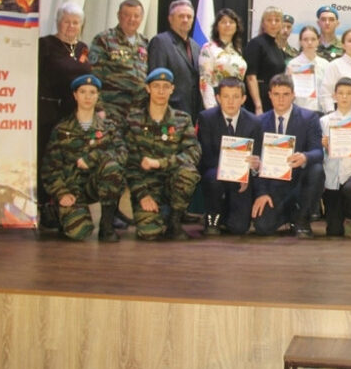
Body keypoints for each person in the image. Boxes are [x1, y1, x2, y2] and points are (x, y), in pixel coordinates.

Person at [40, 75, 127, 242]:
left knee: (112, 167)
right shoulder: (62, 129)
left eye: (92, 92)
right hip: (71, 188)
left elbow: (122, 155)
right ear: (75, 95)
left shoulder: (109, 127)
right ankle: (63, 214)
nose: (88, 97)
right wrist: (61, 193)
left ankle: (107, 225)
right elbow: (50, 169)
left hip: (96, 184)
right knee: (79, 232)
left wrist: (94, 157)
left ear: (98, 96)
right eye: (83, 92)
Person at [124, 68, 201, 241]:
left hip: (172, 181)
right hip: (146, 185)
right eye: (156, 86)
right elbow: (129, 163)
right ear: (148, 88)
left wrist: (161, 163)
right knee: (149, 233)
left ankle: (174, 220)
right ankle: (161, 212)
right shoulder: (133, 120)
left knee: (188, 172)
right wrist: (142, 195)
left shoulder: (182, 119)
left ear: (172, 89)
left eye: (165, 86)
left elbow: (193, 152)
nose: (161, 91)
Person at [38, 2, 92, 227]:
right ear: (58, 22)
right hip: (49, 111)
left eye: (76, 22)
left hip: (75, 113)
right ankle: (45, 206)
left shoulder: (83, 48)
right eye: (67, 21)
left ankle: (69, 205)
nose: (71, 26)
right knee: (47, 159)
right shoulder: (45, 45)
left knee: (70, 159)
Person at [251, 74, 325, 238]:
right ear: (269, 95)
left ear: (293, 95)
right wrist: (262, 193)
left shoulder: (309, 118)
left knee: (317, 170)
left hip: (299, 183)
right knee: (262, 227)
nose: (281, 99)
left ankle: (302, 219)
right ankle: (290, 216)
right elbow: (256, 161)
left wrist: (305, 157)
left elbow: (318, 152)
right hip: (273, 186)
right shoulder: (259, 122)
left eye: (285, 94)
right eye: (276, 94)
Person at [196, 77, 263, 235]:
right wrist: (230, 171)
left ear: (243, 99)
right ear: (218, 98)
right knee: (213, 178)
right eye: (226, 96)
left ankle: (228, 215)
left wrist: (254, 167)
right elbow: (206, 156)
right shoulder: (206, 118)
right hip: (216, 173)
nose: (230, 102)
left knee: (239, 228)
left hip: (243, 180)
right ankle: (212, 219)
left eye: (235, 97)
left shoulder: (254, 122)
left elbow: (256, 156)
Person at [319, 77, 351, 238]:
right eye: (340, 93)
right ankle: (339, 218)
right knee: (334, 231)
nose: (344, 97)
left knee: (350, 189)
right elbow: (322, 157)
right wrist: (325, 147)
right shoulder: (324, 121)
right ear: (334, 96)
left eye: (349, 93)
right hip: (332, 176)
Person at [89, 0, 149, 122]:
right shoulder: (104, 39)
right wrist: (98, 108)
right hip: (112, 110)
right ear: (118, 16)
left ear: (141, 18)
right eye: (127, 15)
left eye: (136, 16)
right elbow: (93, 75)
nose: (132, 19)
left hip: (138, 112)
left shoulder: (145, 42)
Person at [147, 0, 201, 118]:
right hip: (168, 114)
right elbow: (156, 81)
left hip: (192, 115)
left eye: (189, 17)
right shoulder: (160, 42)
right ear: (170, 19)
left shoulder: (196, 47)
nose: (185, 20)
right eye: (181, 16)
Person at [198, 8, 248, 110]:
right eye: (223, 22)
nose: (228, 25)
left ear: (236, 26)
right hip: (218, 100)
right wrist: (211, 108)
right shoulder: (208, 48)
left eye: (231, 22)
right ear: (217, 27)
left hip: (237, 102)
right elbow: (205, 80)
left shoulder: (237, 50)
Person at [244, 6, 288, 115]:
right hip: (260, 101)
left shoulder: (278, 46)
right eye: (269, 20)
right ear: (263, 23)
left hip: (275, 99)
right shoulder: (256, 44)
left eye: (277, 20)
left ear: (281, 24)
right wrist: (258, 106)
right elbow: (250, 77)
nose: (273, 23)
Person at [286, 26, 331, 112]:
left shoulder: (325, 64)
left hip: (321, 112)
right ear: (300, 42)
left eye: (313, 39)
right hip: (299, 111)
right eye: (305, 39)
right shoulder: (293, 65)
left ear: (318, 41)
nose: (309, 43)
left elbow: (328, 91)